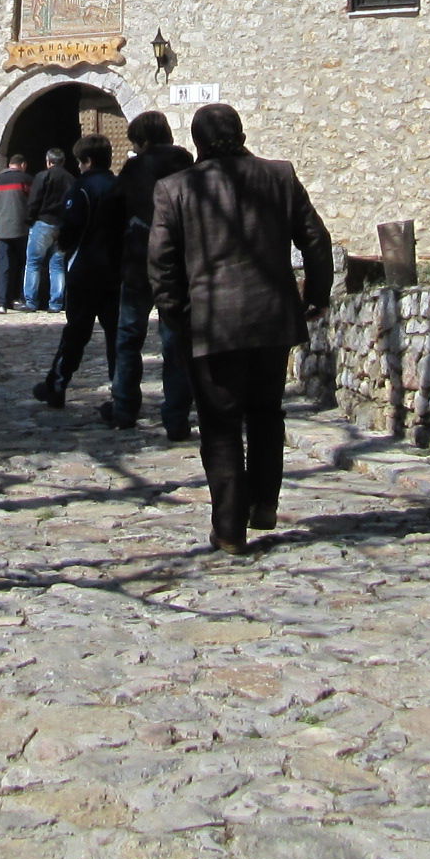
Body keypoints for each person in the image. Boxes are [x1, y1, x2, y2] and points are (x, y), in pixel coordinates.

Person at [148, 104, 334, 554]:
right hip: (271, 316)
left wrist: (176, 314)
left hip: (211, 322)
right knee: (267, 412)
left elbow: (161, 261)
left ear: (196, 142)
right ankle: (263, 504)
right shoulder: (278, 176)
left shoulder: (175, 189)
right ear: (241, 132)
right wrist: (316, 294)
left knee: (220, 424)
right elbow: (315, 238)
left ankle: (229, 527)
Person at [108, 109, 197, 435]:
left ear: (141, 140)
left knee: (129, 338)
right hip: (179, 262)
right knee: (175, 342)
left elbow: (115, 211)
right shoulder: (188, 167)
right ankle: (175, 418)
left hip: (138, 260)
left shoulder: (134, 168)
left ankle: (124, 409)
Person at [32, 136, 126, 407]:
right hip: (115, 271)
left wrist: (65, 246)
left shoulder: (81, 188)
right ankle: (121, 393)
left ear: (86, 161)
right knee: (116, 336)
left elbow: (71, 228)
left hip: (85, 271)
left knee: (75, 333)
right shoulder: (120, 187)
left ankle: (57, 386)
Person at [22, 146, 76, 313]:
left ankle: (31, 301)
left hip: (43, 223)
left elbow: (34, 200)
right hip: (62, 225)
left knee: (33, 262)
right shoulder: (71, 179)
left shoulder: (42, 176)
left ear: (48, 161)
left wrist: (29, 220)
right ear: (63, 162)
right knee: (57, 264)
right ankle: (56, 303)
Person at [0, 153, 32, 311]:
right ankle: (20, 297)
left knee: (3, 266)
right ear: (23, 165)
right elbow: (34, 203)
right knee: (23, 264)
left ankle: (1, 302)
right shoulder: (26, 180)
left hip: (2, 231)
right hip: (22, 229)